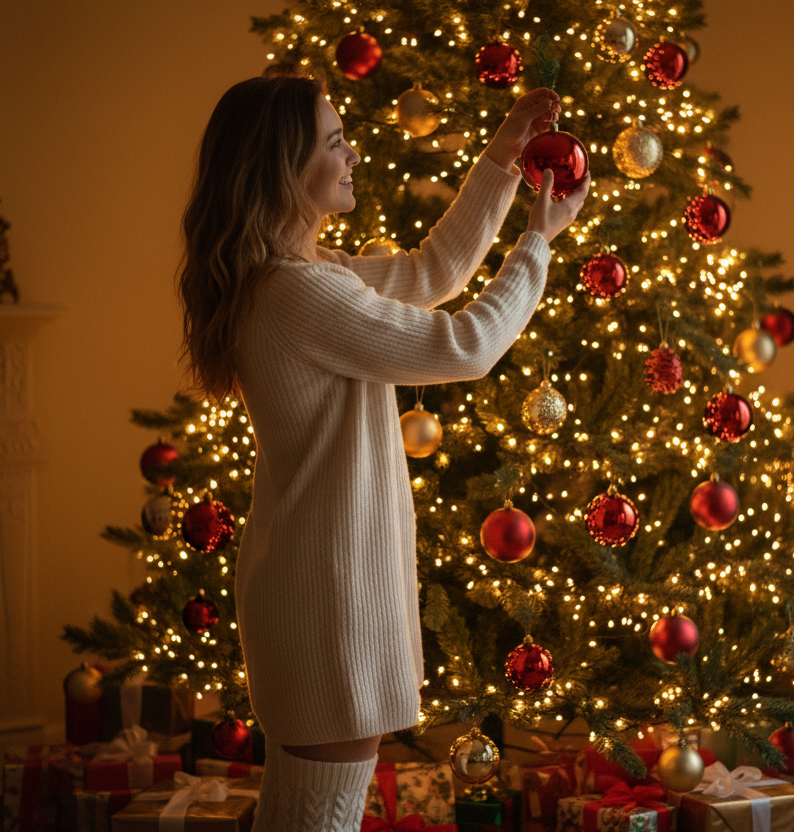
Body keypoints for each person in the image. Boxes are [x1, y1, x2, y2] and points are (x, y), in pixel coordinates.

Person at [176, 74, 589, 831]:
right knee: (317, 819)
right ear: (284, 168)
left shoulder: (299, 277)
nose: (354, 152)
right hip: (330, 597)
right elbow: (468, 343)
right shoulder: (299, 293)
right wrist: (539, 240)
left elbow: (435, 273)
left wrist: (503, 155)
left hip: (319, 584)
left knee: (302, 814)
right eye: (335, 141)